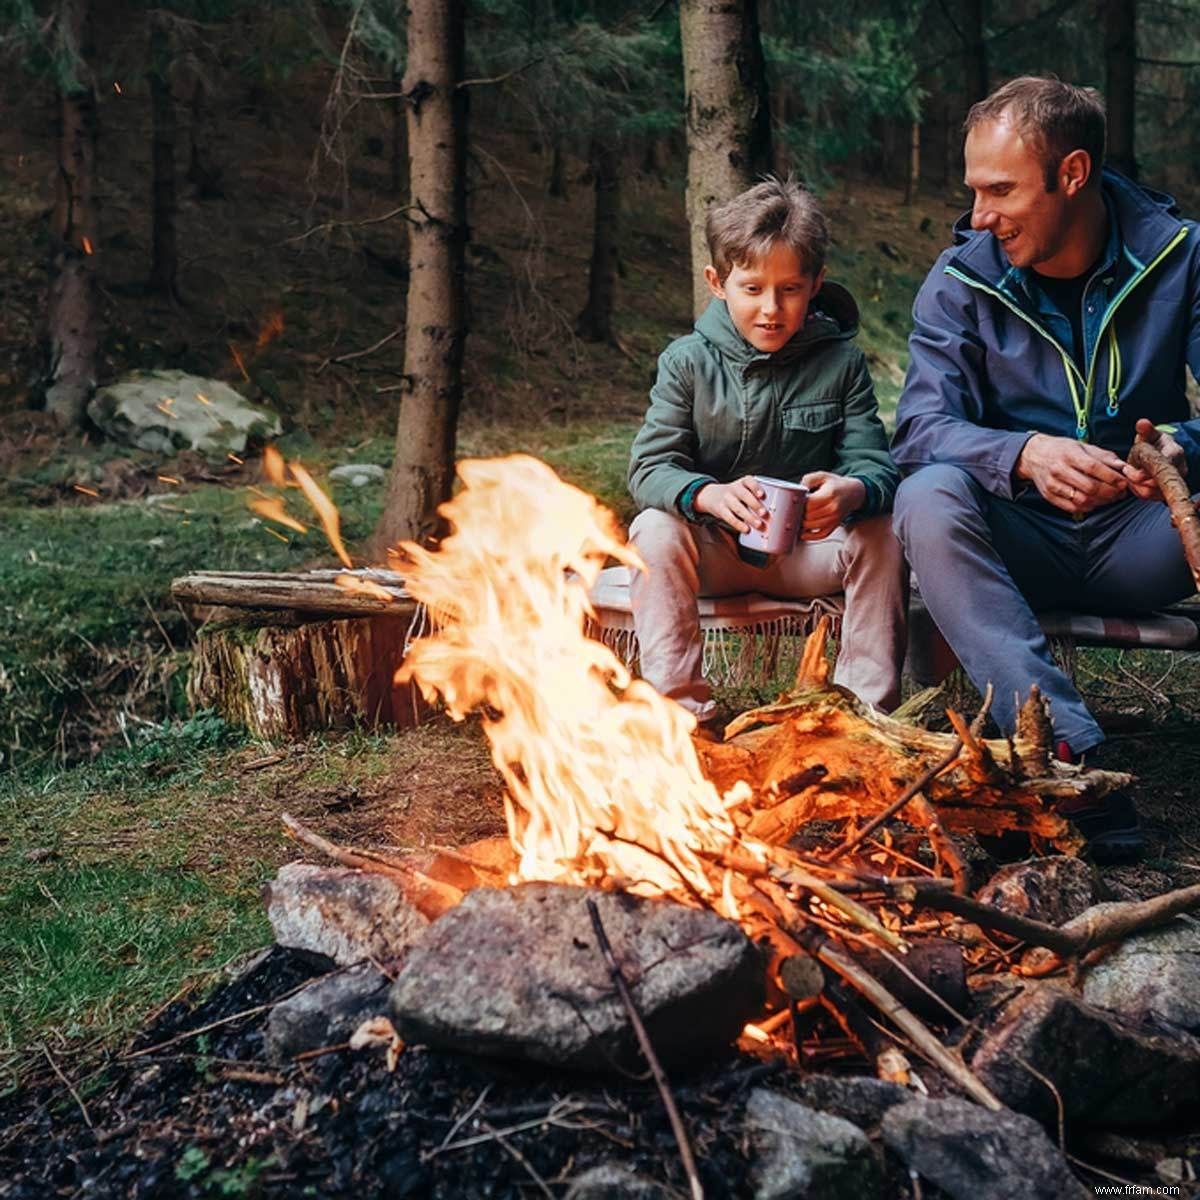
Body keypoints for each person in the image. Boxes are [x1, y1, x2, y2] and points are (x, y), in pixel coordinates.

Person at [892, 76, 1200, 860]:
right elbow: (918, 430)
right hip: (1010, 544)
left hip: (1143, 538)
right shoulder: (960, 281)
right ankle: (1071, 759)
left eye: (1000, 190)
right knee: (927, 496)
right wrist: (1020, 454)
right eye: (974, 190)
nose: (980, 215)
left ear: (1072, 175)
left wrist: (1176, 447)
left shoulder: (1180, 257)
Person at [627, 177, 908, 731]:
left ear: (816, 283)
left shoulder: (840, 363)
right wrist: (706, 495)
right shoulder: (686, 363)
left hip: (809, 554)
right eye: (752, 289)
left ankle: (864, 719)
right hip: (715, 555)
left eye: (790, 289)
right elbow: (649, 468)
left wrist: (853, 490)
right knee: (653, 529)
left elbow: (876, 466)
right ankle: (681, 717)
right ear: (717, 282)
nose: (771, 310)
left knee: (884, 531)